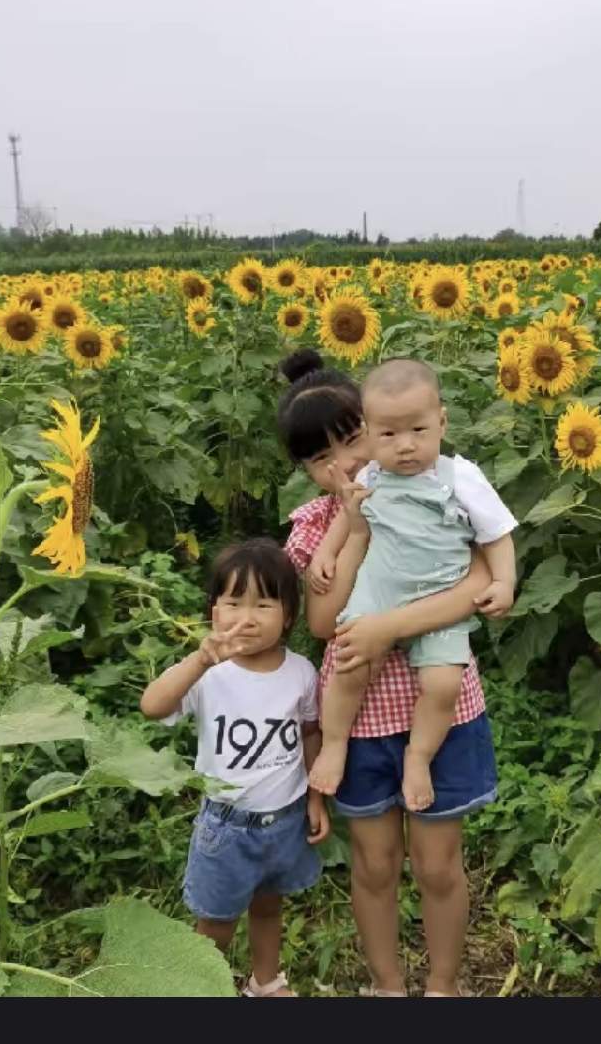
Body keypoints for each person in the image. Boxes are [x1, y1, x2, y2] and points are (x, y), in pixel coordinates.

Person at [278, 350, 509, 998]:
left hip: (440, 705)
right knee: (374, 865)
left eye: (352, 440)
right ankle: (387, 986)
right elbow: (324, 623)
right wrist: (352, 530)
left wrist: (387, 628)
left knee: (438, 866)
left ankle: (441, 986)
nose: (345, 464)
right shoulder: (312, 528)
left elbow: (480, 581)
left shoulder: (437, 488)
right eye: (322, 459)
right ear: (305, 470)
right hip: (362, 715)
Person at [306, 359, 517, 812]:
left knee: (443, 685)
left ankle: (418, 757)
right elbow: (348, 519)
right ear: (369, 432)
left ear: (441, 421)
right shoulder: (369, 478)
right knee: (350, 663)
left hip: (441, 593)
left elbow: (497, 534)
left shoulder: (461, 478)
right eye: (388, 435)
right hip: (378, 590)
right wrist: (325, 553)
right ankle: (336, 742)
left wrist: (504, 581)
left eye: (418, 431)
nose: (405, 446)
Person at [139, 538, 329, 998]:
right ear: (214, 611)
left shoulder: (301, 671)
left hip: (284, 820)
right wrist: (200, 659)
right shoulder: (208, 673)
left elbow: (309, 734)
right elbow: (152, 705)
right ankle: (203, 989)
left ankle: (265, 982)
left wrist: (316, 798)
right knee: (216, 922)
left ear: (288, 615)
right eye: (233, 603)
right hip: (226, 827)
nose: (247, 617)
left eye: (264, 603)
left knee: (268, 908)